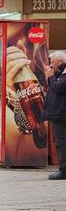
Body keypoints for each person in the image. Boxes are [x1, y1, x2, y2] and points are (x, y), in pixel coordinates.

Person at [42, 51, 66, 180]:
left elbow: (58, 88)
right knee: (60, 141)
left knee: (61, 142)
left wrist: (50, 77)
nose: (51, 65)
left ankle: (63, 170)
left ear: (60, 62)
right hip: (58, 113)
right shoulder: (60, 74)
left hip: (61, 114)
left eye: (52, 62)